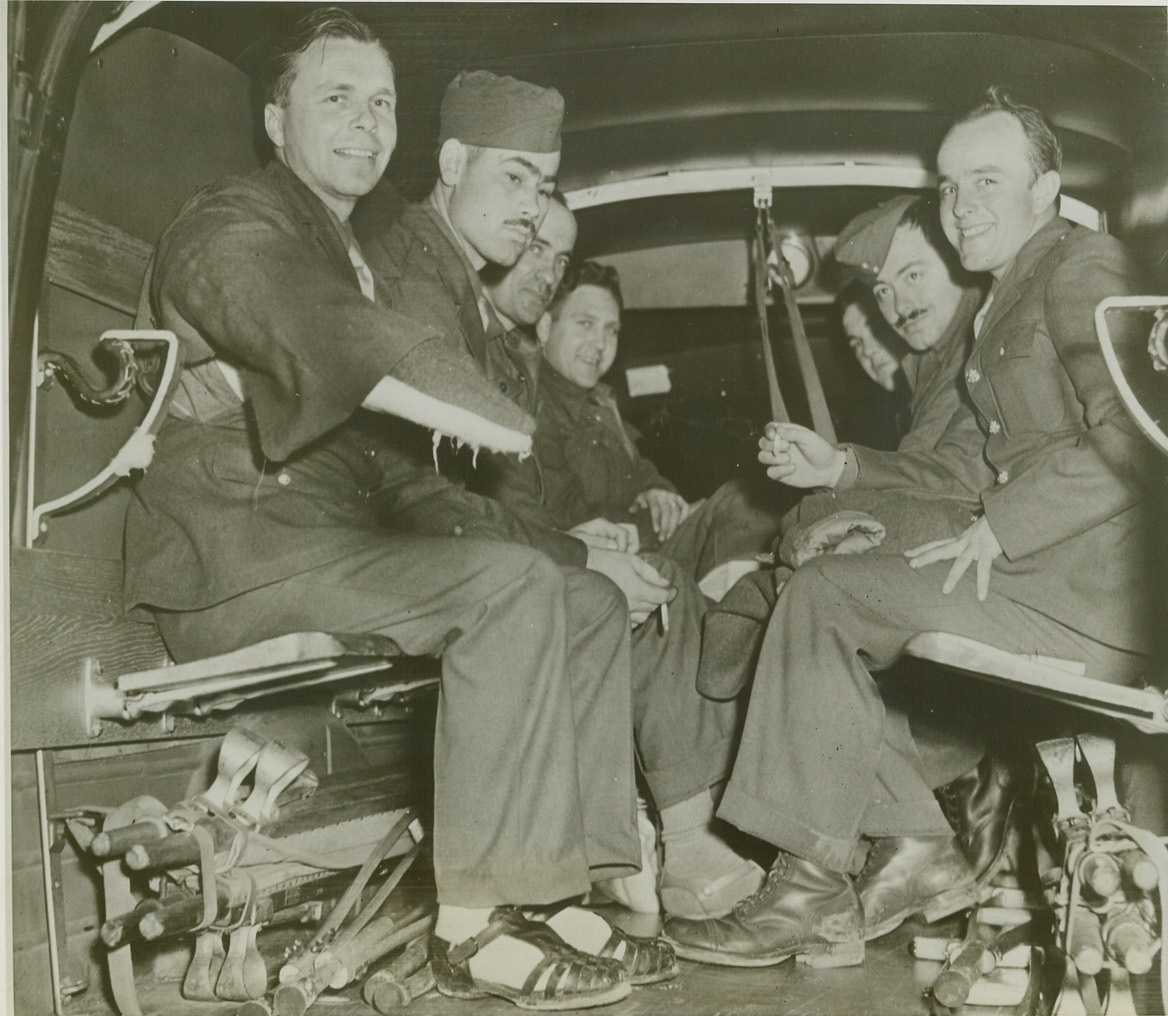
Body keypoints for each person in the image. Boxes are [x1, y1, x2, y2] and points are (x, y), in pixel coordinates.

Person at [122, 11, 674, 1009]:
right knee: (510, 584)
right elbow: (293, 312)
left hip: (321, 543)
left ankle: (558, 881)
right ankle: (472, 925)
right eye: (336, 97)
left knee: (579, 594)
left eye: (381, 103)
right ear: (275, 115)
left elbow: (399, 472)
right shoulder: (232, 219)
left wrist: (555, 542)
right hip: (236, 555)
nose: (366, 122)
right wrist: (458, 397)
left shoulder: (346, 250)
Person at [665, 86, 1159, 968]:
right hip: (1043, 572)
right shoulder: (1010, 293)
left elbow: (1135, 437)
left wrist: (1000, 531)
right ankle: (893, 849)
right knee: (822, 593)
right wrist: (844, 471)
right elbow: (964, 470)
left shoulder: (1082, 266)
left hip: (1090, 592)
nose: (962, 206)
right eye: (950, 186)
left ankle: (827, 880)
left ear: (1045, 189)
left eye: (987, 180)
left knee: (821, 601)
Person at [361, 69, 763, 922]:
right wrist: (584, 546)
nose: (539, 263)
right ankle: (608, 860)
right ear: (452, 163)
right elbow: (438, 487)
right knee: (604, 591)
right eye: (521, 201)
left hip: (478, 536)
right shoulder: (425, 278)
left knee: (635, 582)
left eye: (550, 239)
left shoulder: (485, 322)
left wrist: (622, 519)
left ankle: (630, 849)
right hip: (411, 541)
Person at [488, 256, 790, 582]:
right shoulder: (530, 408)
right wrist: (657, 522)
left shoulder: (602, 405)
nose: (600, 344)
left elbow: (640, 470)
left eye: (611, 329)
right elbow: (564, 513)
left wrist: (659, 491)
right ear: (546, 327)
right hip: (599, 560)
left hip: (645, 544)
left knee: (742, 502)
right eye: (585, 324)